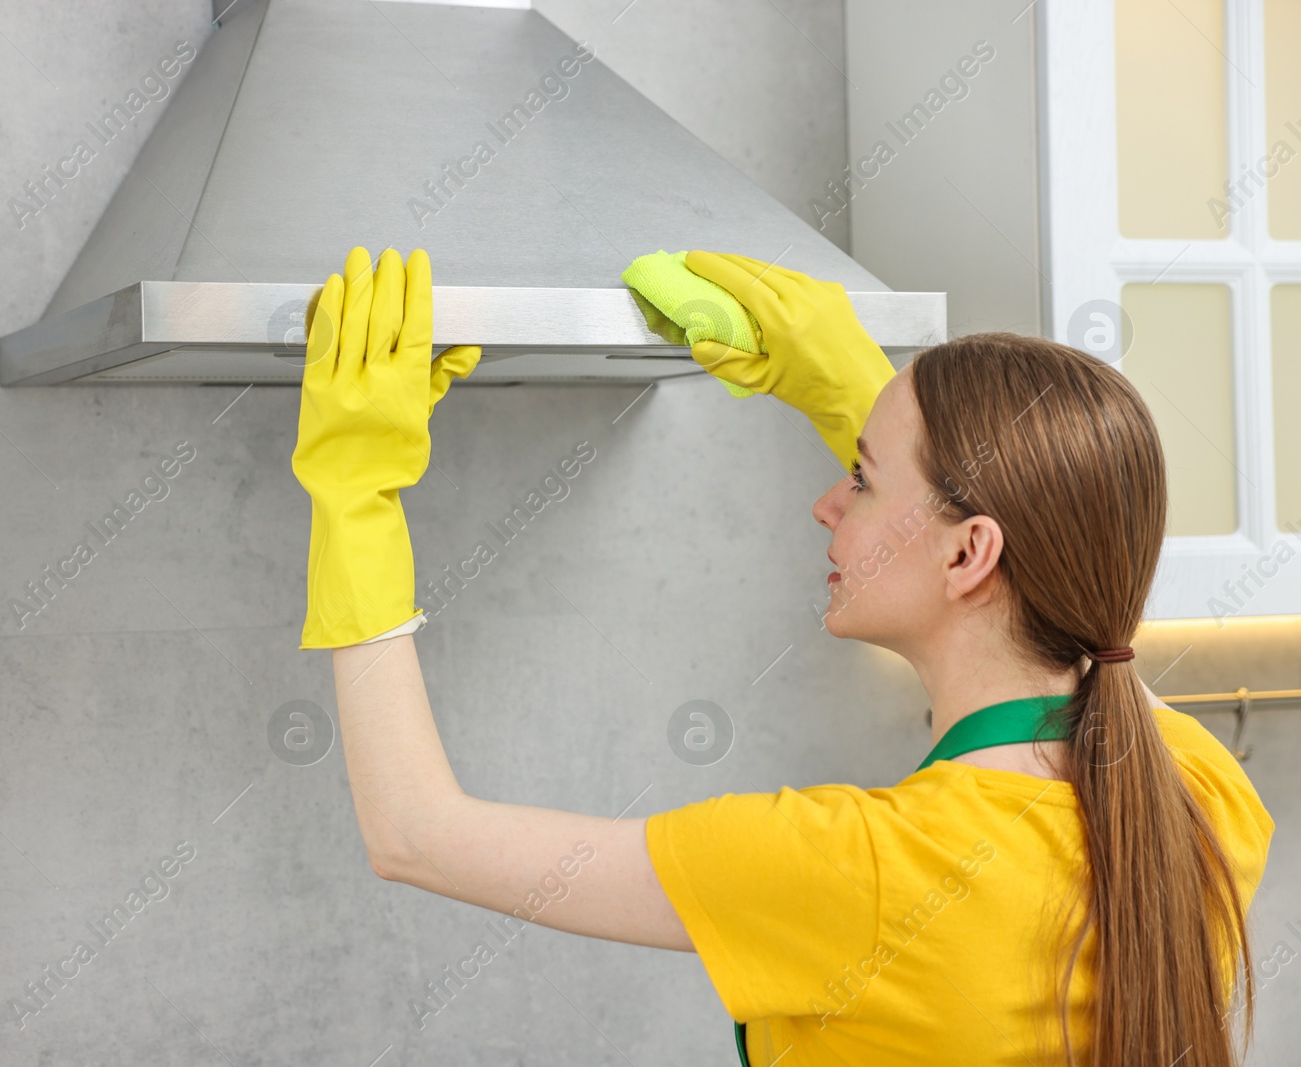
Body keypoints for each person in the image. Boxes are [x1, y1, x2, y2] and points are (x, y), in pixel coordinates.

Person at [289, 245, 1273, 1066]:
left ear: (970, 551)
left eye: (858, 476)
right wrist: (866, 394)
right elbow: (1065, 595)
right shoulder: (1197, 792)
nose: (825, 503)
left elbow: (413, 831)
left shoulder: (863, 870)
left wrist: (354, 500)